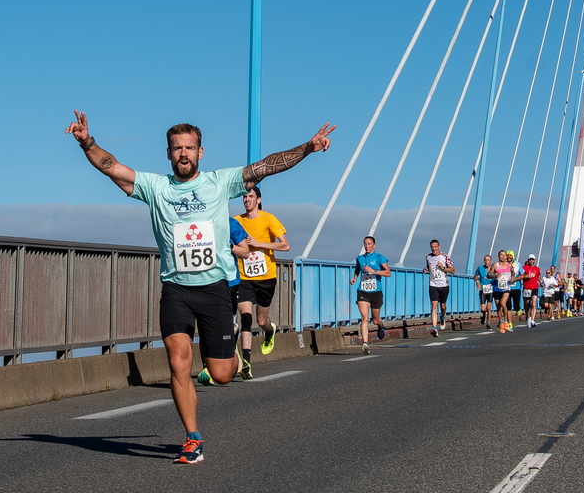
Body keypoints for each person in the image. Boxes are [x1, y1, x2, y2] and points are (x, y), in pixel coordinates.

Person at [65, 110, 333, 466]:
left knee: (222, 375)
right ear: (168, 153)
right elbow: (112, 166)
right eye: (177, 148)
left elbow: (266, 166)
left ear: (200, 152)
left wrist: (308, 148)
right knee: (178, 362)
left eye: (189, 148)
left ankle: (231, 349)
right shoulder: (155, 186)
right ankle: (192, 438)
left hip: (216, 289)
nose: (183, 154)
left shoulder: (220, 183)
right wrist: (87, 142)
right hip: (176, 288)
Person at [233, 187, 289, 376]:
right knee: (246, 318)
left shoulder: (268, 218)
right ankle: (246, 363)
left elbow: (285, 245)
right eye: (245, 196)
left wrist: (259, 244)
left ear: (258, 199)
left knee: (261, 320)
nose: (247, 200)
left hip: (266, 278)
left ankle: (269, 330)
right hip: (244, 277)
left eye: (251, 196)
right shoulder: (236, 221)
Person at [351, 236, 391, 351]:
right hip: (363, 290)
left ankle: (380, 325)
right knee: (364, 317)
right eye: (365, 244)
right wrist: (354, 278)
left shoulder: (379, 257)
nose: (367, 246)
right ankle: (365, 343)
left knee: (375, 319)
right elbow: (357, 269)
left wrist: (375, 271)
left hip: (376, 292)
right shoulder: (360, 258)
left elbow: (388, 273)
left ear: (374, 245)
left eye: (369, 244)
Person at [425, 239, 454, 336]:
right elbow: (428, 267)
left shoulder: (444, 257)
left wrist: (443, 268)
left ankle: (442, 317)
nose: (434, 249)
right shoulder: (428, 257)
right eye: (432, 247)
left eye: (435, 247)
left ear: (439, 247)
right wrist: (426, 269)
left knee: (443, 306)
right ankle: (434, 328)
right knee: (434, 306)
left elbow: (453, 270)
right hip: (433, 285)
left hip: (443, 285)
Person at [520, 255, 541, 328]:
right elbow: (521, 276)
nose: (531, 261)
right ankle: (528, 317)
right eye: (530, 259)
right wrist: (526, 276)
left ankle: (533, 320)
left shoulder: (537, 269)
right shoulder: (524, 268)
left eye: (533, 259)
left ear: (535, 260)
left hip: (535, 287)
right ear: (528, 260)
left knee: (534, 304)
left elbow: (538, 276)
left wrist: (540, 281)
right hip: (527, 288)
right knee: (527, 304)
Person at [476, 254, 496, 327]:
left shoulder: (493, 269)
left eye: (488, 260)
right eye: (485, 260)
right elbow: (475, 276)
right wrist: (477, 283)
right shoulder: (480, 268)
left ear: (491, 261)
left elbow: (497, 276)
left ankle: (488, 323)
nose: (486, 262)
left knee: (489, 307)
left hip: (491, 289)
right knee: (483, 309)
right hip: (483, 289)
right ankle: (484, 315)